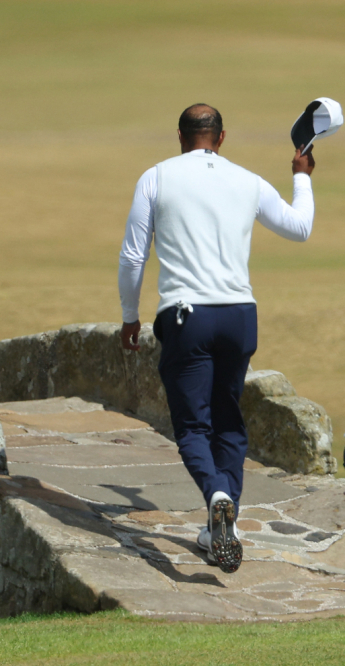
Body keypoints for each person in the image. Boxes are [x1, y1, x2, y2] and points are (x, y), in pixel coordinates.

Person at [117, 104, 316, 573]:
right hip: (240, 317)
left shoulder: (156, 177)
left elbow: (132, 257)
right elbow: (300, 227)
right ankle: (219, 527)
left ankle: (217, 495)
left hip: (188, 318)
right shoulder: (246, 179)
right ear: (221, 138)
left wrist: (130, 317)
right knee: (229, 422)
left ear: (180, 137)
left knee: (192, 426)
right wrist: (301, 175)